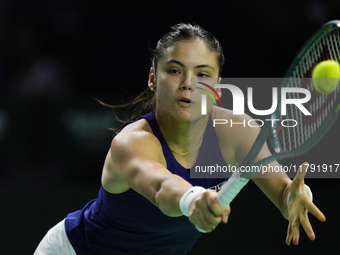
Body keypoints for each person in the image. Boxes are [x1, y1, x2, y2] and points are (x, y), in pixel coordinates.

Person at [34, 23, 326, 255]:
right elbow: (162, 188)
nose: (188, 83)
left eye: (203, 74)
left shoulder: (237, 132)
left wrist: (296, 197)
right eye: (174, 71)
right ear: (152, 78)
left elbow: (284, 191)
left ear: (217, 85)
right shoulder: (131, 143)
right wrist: (194, 200)